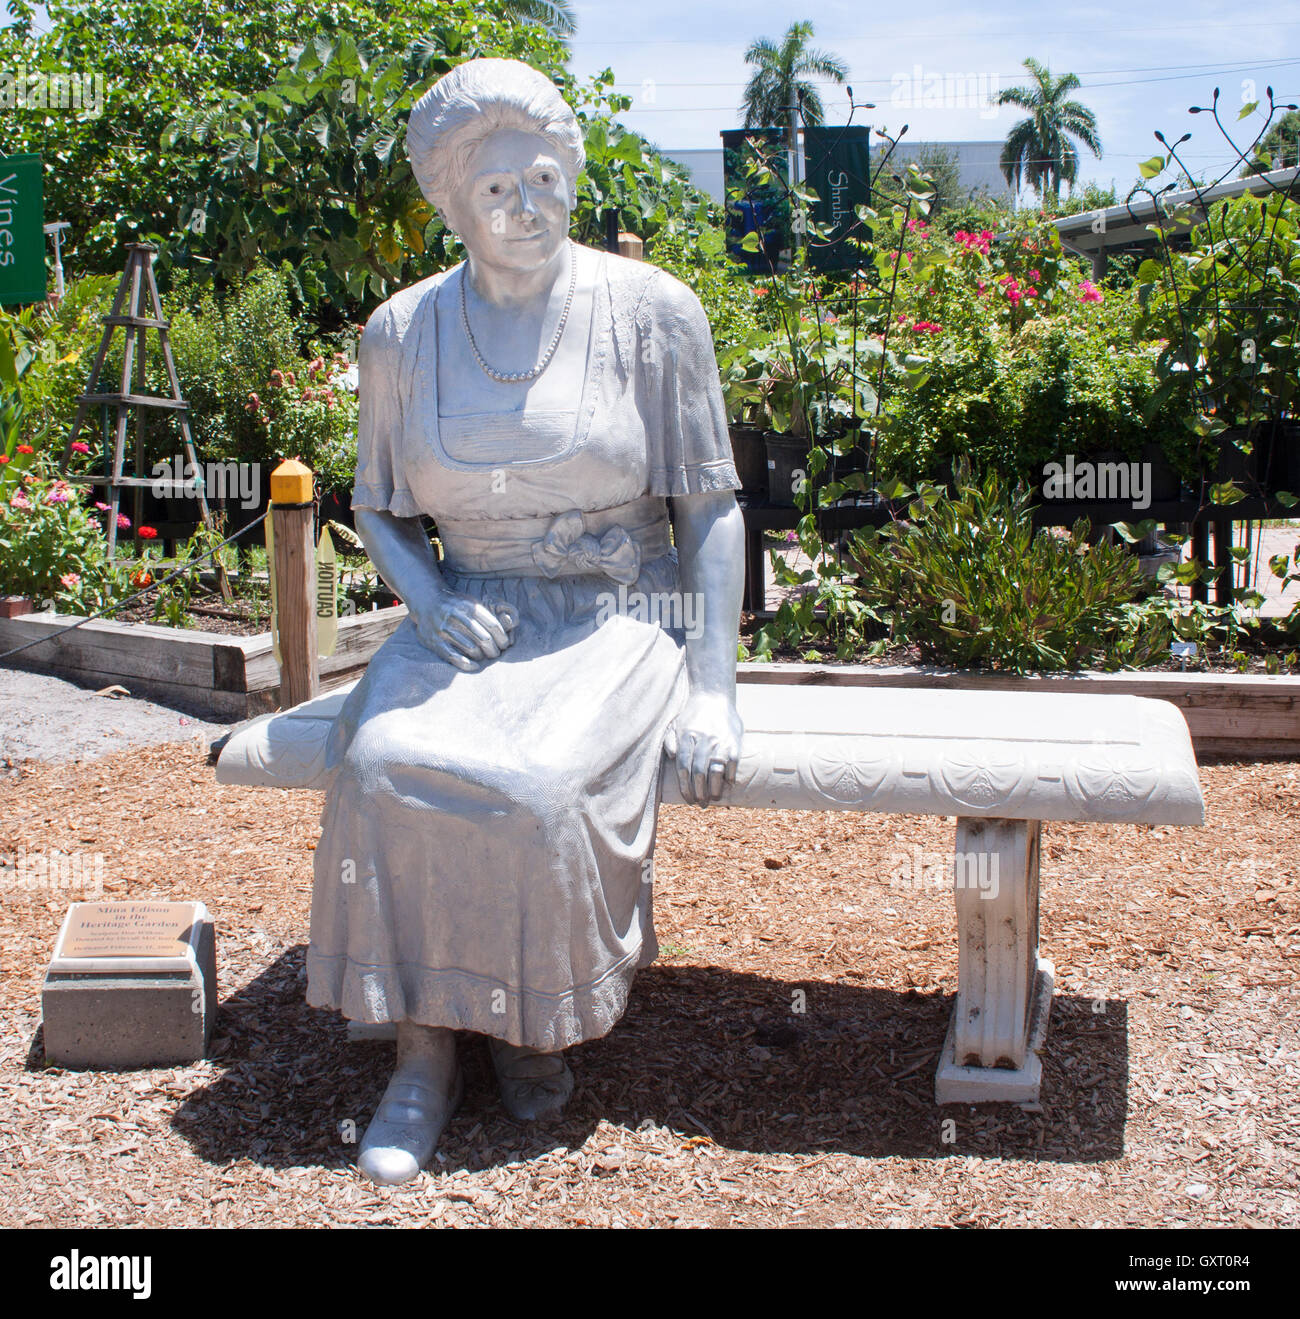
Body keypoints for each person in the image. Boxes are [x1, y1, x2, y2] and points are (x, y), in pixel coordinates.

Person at [306, 57, 745, 1185]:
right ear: (452, 203)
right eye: (496, 189)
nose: (527, 204)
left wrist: (711, 686)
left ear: (572, 180)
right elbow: (377, 506)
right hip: (471, 617)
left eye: (545, 178)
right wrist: (434, 598)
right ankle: (422, 1054)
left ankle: (532, 1024)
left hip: (616, 613)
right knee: (386, 762)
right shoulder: (402, 332)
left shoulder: (652, 312)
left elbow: (708, 508)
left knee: (539, 787)